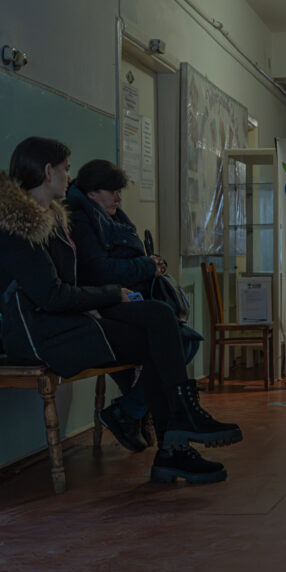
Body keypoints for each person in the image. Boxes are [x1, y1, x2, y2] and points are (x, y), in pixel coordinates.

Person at [0, 137, 242, 485]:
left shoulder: (50, 220)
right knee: (156, 336)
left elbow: (63, 285)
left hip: (67, 322)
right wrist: (109, 296)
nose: (70, 178)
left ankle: (178, 430)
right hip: (42, 336)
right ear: (48, 170)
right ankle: (176, 436)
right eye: (66, 169)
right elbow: (51, 296)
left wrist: (100, 302)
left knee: (159, 316)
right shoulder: (15, 228)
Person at [65, 159, 202, 452]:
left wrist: (151, 264)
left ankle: (130, 411)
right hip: (107, 304)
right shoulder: (81, 219)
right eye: (111, 191)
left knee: (185, 339)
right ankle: (163, 426)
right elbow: (98, 271)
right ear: (91, 192)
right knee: (177, 336)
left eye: (118, 191)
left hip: (129, 299)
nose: (118, 197)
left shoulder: (112, 217)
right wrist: (145, 266)